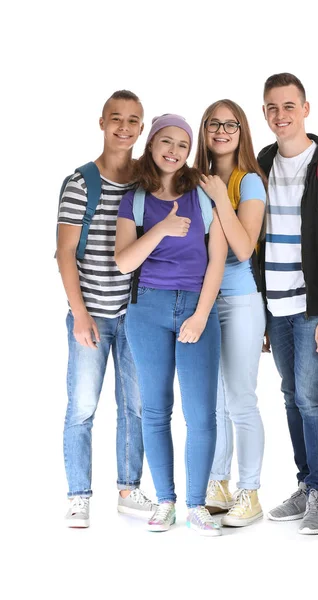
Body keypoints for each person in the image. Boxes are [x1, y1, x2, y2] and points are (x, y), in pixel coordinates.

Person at [115, 114, 228, 536]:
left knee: (200, 413)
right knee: (155, 409)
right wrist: (160, 229)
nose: (174, 151)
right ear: (152, 144)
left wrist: (200, 315)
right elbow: (125, 260)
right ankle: (165, 501)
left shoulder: (202, 194)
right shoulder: (136, 200)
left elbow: (217, 259)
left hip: (197, 308)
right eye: (166, 141)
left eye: (182, 144)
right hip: (148, 310)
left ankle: (196, 504)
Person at [257, 73, 318, 535]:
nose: (281, 115)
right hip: (273, 306)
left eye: (289, 106)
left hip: (313, 306)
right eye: (273, 108)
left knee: (313, 398)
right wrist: (259, 312)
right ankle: (305, 483)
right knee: (289, 396)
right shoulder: (261, 163)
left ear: (306, 109)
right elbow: (255, 241)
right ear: (265, 113)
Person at [57, 90, 156, 528]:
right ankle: (79, 496)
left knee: (133, 406)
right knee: (82, 407)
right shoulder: (81, 182)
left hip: (134, 314)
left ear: (141, 128)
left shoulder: (145, 182)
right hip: (91, 314)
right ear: (101, 122)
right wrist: (79, 314)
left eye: (133, 121)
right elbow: (64, 253)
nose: (124, 127)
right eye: (116, 119)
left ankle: (129, 489)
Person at [194, 99, 267, 527]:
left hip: (239, 302)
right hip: (202, 301)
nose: (221, 131)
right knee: (215, 402)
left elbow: (244, 248)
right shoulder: (194, 180)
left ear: (242, 131)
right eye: (213, 124)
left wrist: (222, 197)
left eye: (231, 124)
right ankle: (218, 483)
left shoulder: (249, 182)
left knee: (241, 400)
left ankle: (250, 491)